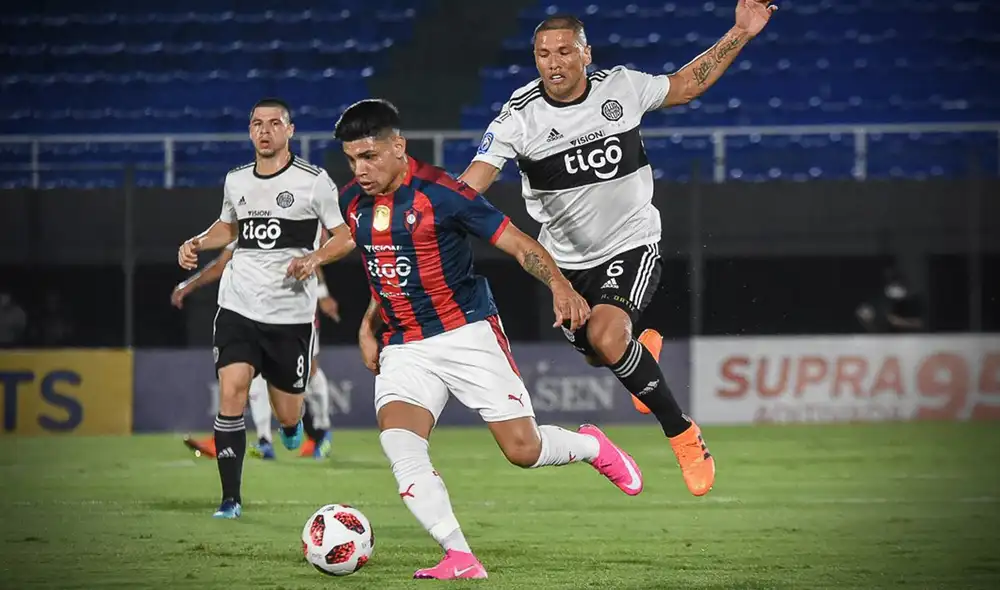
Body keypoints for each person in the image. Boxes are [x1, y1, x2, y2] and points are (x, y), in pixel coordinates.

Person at [287, 98, 644, 580]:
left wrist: (560, 285)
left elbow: (517, 241)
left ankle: (592, 447)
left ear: (398, 146)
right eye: (352, 159)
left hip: (466, 333)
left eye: (369, 156)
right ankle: (460, 556)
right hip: (405, 344)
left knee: (524, 451)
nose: (360, 169)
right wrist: (367, 323)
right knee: (401, 445)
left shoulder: (443, 194)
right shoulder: (354, 201)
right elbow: (376, 257)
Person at [458, 3, 778, 495]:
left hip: (631, 241)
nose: (554, 62)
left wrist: (740, 32)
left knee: (607, 339)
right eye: (543, 54)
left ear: (586, 53)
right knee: (598, 351)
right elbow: (470, 186)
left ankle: (683, 433)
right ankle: (637, 349)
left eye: (565, 51)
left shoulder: (620, 87)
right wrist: (431, 213)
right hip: (565, 262)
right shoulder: (518, 118)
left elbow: (686, 84)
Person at [176, 97, 353, 519]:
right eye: (257, 123)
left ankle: (292, 428)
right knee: (232, 390)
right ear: (250, 130)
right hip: (238, 306)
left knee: (287, 409)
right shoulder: (236, 180)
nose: (265, 131)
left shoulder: (315, 181)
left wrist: (313, 259)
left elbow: (344, 236)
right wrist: (197, 241)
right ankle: (230, 499)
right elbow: (227, 227)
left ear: (289, 130)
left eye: (275, 123)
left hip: (289, 314)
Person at [171, 239, 340, 460]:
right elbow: (222, 263)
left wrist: (322, 293)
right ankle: (264, 441)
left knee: (310, 370)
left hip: (292, 311)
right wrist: (189, 285)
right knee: (255, 374)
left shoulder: (294, 213)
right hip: (251, 313)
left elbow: (314, 251)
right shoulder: (246, 218)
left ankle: (321, 432)